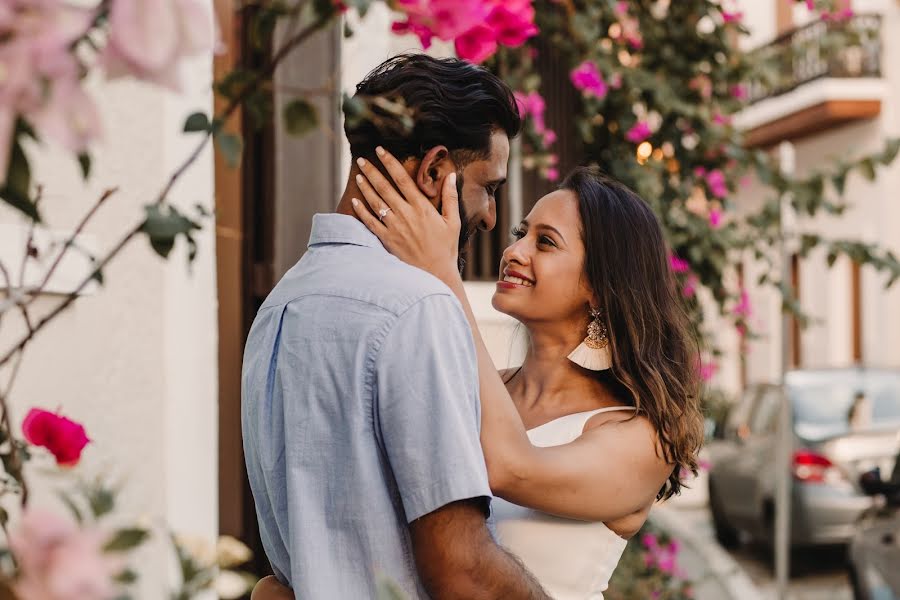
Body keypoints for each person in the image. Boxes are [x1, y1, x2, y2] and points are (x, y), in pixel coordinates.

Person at [241, 53, 550, 599]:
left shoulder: (280, 305)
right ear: (434, 171)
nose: (491, 217)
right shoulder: (418, 307)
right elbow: (463, 570)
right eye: (489, 187)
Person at [347, 151, 706, 599]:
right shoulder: (486, 384)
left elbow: (510, 468)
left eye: (546, 242)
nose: (513, 252)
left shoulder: (641, 437)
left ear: (599, 285)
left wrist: (442, 275)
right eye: (522, 233)